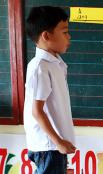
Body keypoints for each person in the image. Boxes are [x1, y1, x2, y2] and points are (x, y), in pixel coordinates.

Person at [23, 6, 76, 173]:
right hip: (48, 146)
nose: (69, 37)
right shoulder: (40, 67)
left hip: (53, 146)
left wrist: (60, 142)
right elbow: (37, 111)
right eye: (64, 32)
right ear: (46, 35)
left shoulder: (54, 63)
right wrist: (58, 142)